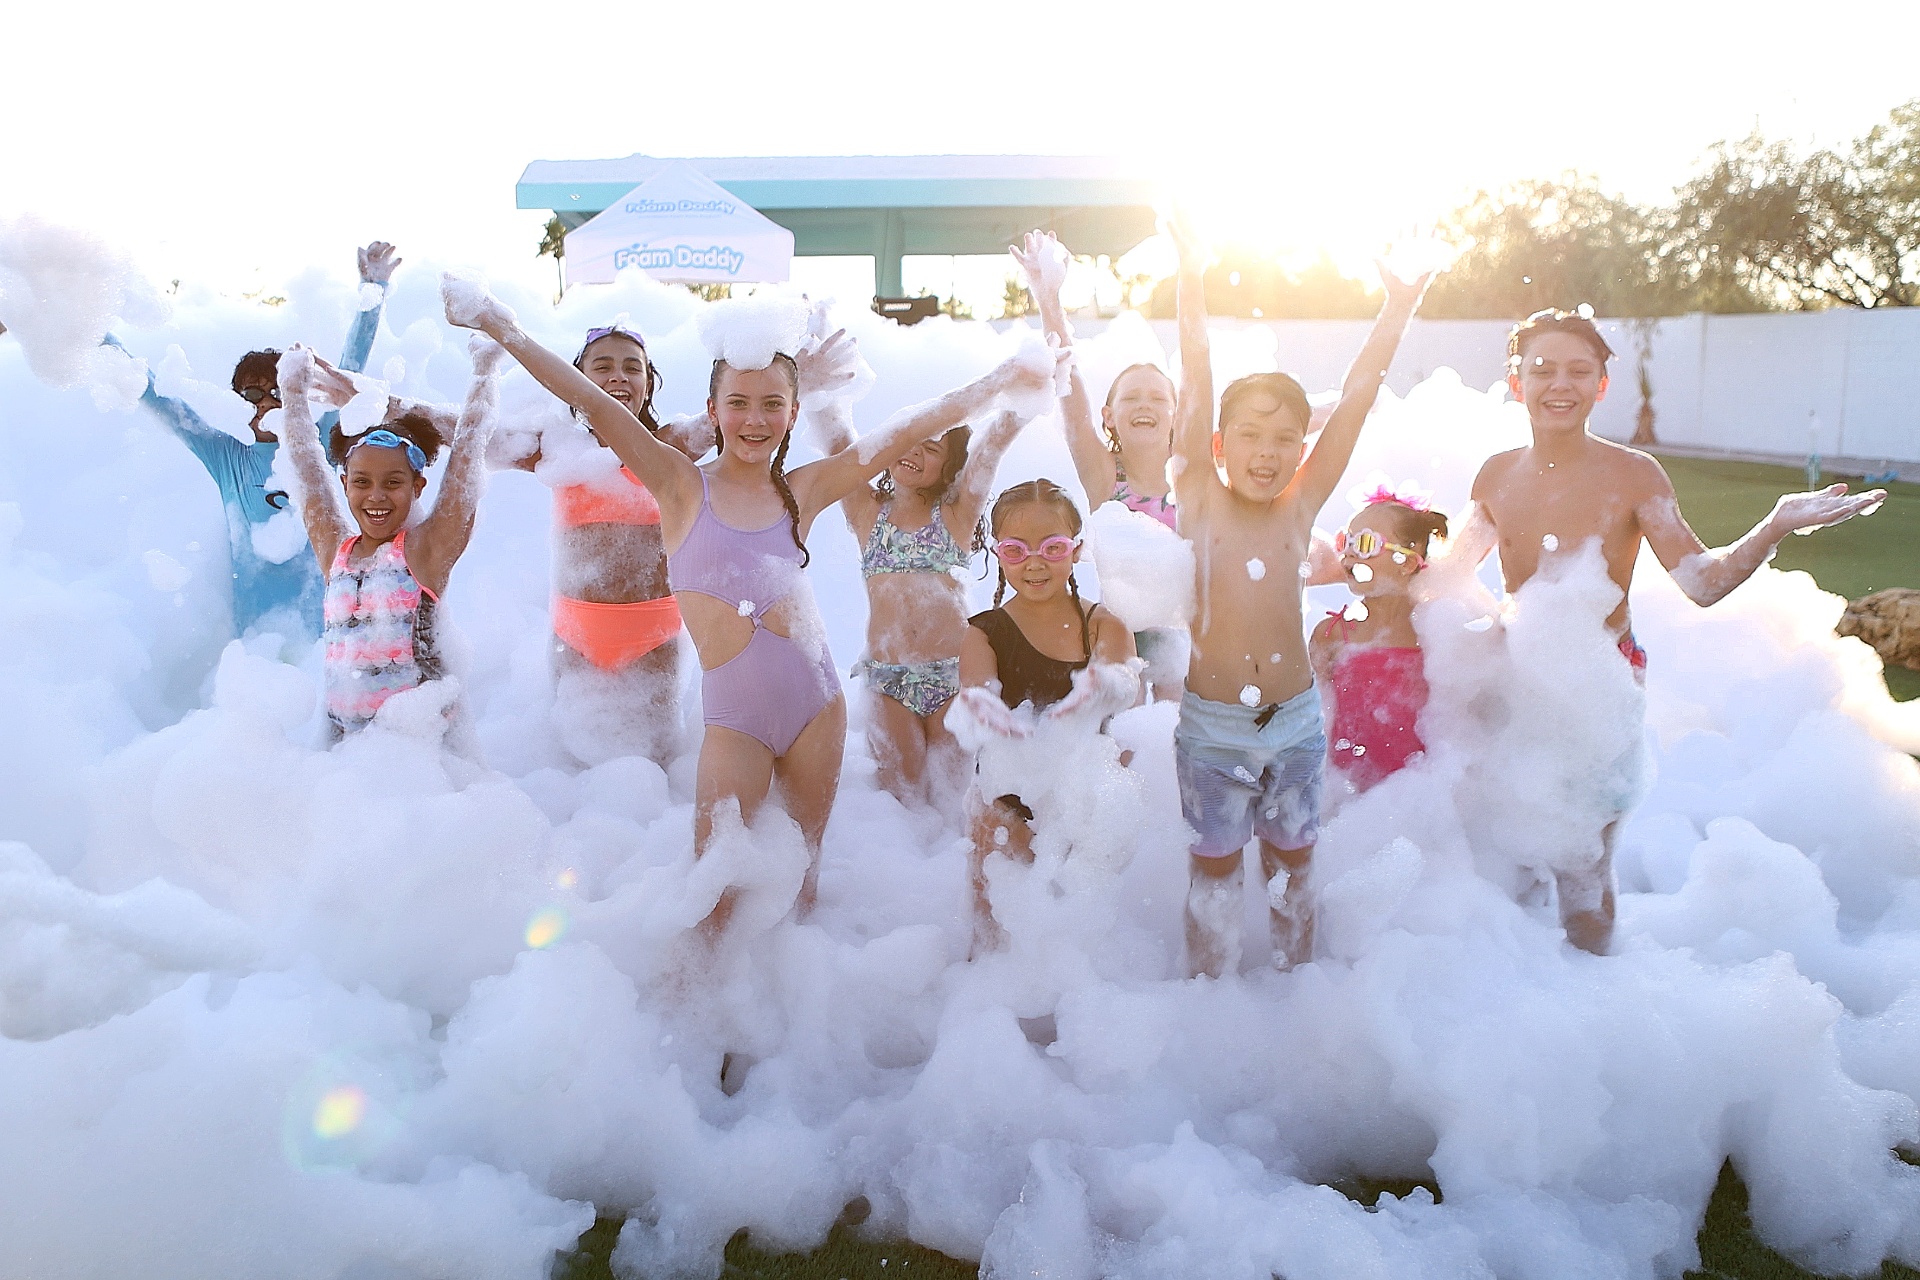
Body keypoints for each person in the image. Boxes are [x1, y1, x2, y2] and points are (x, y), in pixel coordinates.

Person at [445, 279, 1069, 933]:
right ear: (712, 410)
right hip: (736, 719)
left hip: (816, 708)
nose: (754, 418)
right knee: (711, 894)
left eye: (772, 404)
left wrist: (1000, 379)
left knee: (800, 884)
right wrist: (498, 324)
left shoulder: (801, 491)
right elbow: (588, 401)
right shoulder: (679, 484)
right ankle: (702, 1022)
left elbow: (898, 434)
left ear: (793, 413)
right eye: (738, 403)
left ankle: (782, 1017)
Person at [1443, 307, 1886, 955]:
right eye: (1541, 370)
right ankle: (1527, 1014)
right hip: (1515, 687)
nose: (1557, 384)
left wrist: (1775, 525)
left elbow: (1701, 582)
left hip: (1597, 694)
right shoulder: (1495, 474)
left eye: (1577, 370)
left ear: (1601, 384)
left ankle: (1597, 997)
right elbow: (1449, 577)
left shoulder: (1633, 475)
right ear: (1516, 382)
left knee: (1583, 873)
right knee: (1510, 861)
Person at [1168, 210, 1435, 978]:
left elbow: (1354, 398)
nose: (1268, 451)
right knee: (1213, 876)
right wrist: (1192, 273)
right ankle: (1210, 1003)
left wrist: (1400, 303)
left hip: (1293, 727)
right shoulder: (1199, 501)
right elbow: (1196, 372)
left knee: (1293, 871)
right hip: (1213, 731)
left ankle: (1294, 1000)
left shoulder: (1300, 507)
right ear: (1217, 445)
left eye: (1285, 438)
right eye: (1250, 434)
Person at [1010, 230, 1340, 701]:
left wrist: (1344, 410)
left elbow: (1263, 436)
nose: (1144, 404)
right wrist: (1048, 297)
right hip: (1118, 634)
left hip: (1190, 636)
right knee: (1126, 735)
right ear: (1110, 417)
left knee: (1175, 721)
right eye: (1131, 398)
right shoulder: (1105, 478)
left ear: (1176, 412)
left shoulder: (1192, 473)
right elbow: (1070, 387)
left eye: (1157, 397)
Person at [108, 242, 401, 640]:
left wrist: (373, 289)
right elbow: (156, 397)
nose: (265, 402)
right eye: (252, 394)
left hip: (327, 641)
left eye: (276, 391)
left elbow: (348, 370)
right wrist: (93, 330)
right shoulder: (228, 459)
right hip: (253, 652)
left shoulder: (316, 446)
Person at [486, 323, 716, 767]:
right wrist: (383, 407)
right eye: (602, 366)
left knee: (657, 768)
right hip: (576, 636)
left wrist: (799, 368)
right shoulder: (555, 451)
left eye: (633, 368)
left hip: (654, 636)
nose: (618, 376)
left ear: (648, 383)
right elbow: (470, 434)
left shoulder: (669, 446)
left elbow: (735, 415)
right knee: (573, 766)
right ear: (577, 378)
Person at [274, 329, 501, 736]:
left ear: (417, 488)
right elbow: (308, 473)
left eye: (393, 482)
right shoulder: (337, 554)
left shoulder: (423, 553)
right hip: (351, 758)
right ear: (344, 484)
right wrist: (292, 395)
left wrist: (485, 370)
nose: (375, 496)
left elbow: (468, 454)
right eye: (362, 481)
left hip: (422, 755)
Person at [813, 404, 1037, 806]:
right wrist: (820, 394)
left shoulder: (955, 516)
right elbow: (841, 450)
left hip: (949, 678)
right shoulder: (869, 515)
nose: (914, 451)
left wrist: (1023, 402)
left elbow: (989, 452)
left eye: (931, 448)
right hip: (889, 681)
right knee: (902, 800)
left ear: (950, 467)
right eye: (908, 440)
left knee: (953, 800)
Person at [954, 479, 1138, 950]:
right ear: (997, 554)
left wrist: (1103, 690)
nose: (1034, 562)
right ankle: (988, 997)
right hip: (1005, 799)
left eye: (1052, 547)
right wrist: (989, 714)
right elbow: (977, 697)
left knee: (1074, 939)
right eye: (1016, 550)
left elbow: (1126, 705)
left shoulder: (1102, 626)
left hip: (1082, 803)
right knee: (997, 937)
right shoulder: (983, 634)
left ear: (1075, 551)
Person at [1308, 484, 1449, 798]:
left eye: (1366, 543)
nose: (1349, 554)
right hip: (1344, 796)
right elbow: (1313, 719)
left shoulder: (1436, 633)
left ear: (1409, 562)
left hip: (1417, 798)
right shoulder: (1330, 634)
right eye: (1347, 541)